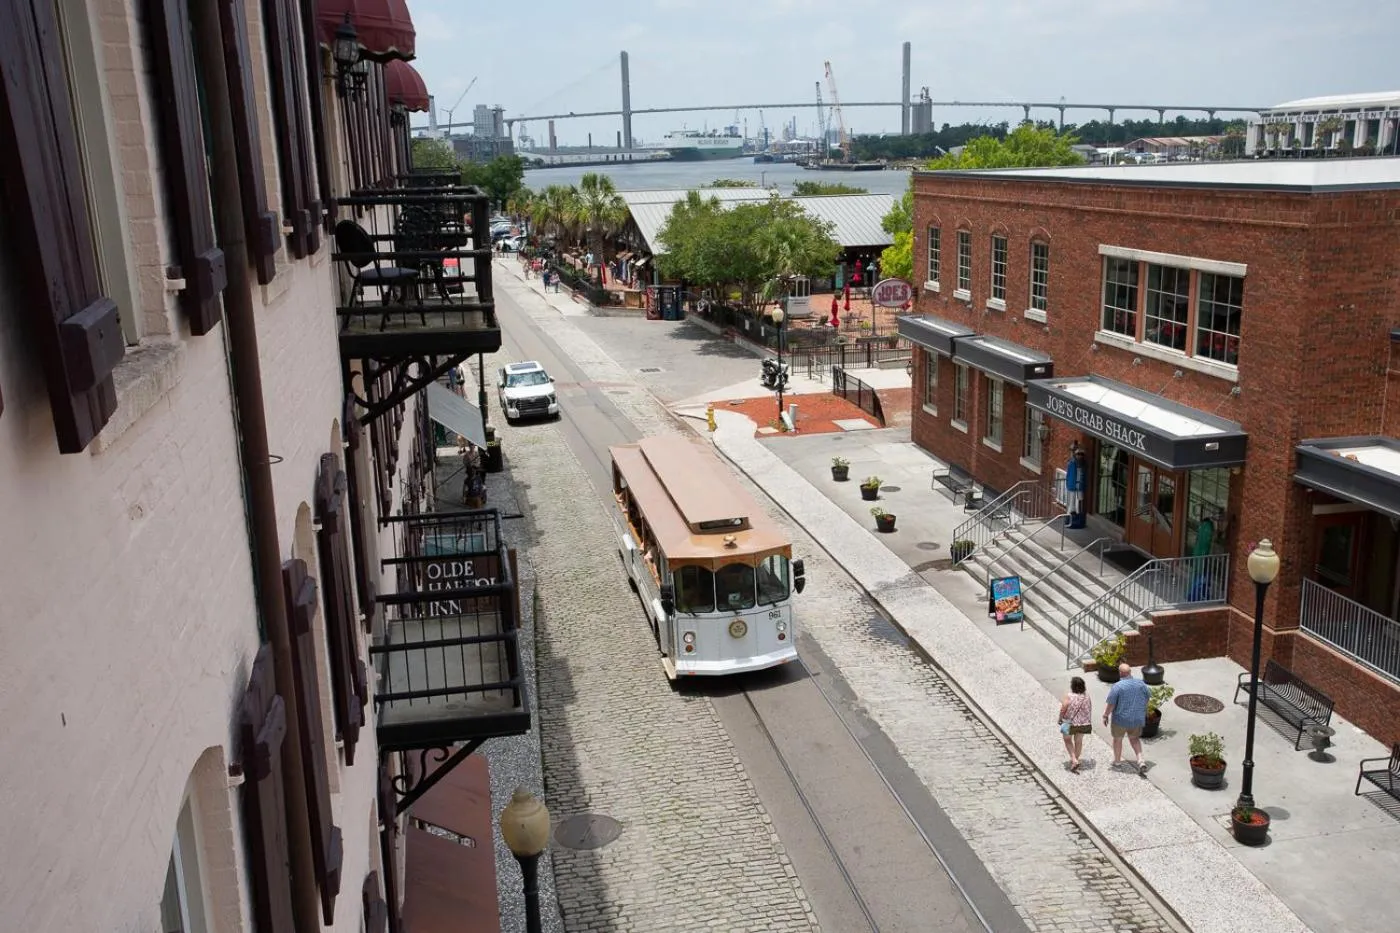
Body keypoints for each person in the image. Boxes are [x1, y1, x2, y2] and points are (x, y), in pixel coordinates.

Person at [1103, 663, 1151, 774]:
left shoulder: (1117, 687)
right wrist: (1142, 710)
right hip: (1136, 718)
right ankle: (1140, 760)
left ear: (1120, 673)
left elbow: (1111, 704)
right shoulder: (1141, 684)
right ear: (1130, 672)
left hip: (1120, 719)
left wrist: (1105, 715)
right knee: (1134, 739)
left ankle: (1118, 762)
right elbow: (1147, 697)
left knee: (1118, 740)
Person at [1058, 676, 1093, 772]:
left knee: (1067, 740)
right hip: (1083, 723)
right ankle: (1076, 760)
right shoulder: (1087, 696)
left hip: (1069, 722)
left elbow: (1063, 709)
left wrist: (1060, 719)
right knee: (1079, 741)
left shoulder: (1069, 696)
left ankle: (1074, 759)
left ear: (1072, 686)